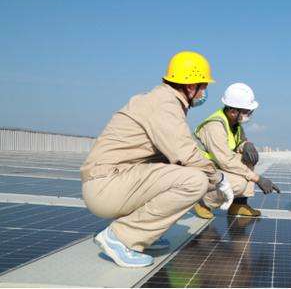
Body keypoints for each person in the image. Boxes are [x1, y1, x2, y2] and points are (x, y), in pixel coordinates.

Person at [81, 51, 233, 268]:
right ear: (191, 87)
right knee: (194, 181)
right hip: (106, 186)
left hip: (111, 182)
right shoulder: (165, 104)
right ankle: (121, 237)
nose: (204, 93)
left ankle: (142, 234)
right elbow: (186, 154)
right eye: (204, 86)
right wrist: (218, 179)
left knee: (184, 172)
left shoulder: (162, 100)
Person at [192, 82, 280, 218]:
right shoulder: (214, 126)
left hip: (215, 167)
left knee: (249, 157)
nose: (249, 114)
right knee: (238, 184)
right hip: (202, 170)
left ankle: (239, 204)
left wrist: (246, 145)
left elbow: (237, 142)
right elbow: (225, 160)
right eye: (246, 111)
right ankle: (203, 201)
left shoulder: (235, 124)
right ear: (233, 111)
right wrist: (258, 179)